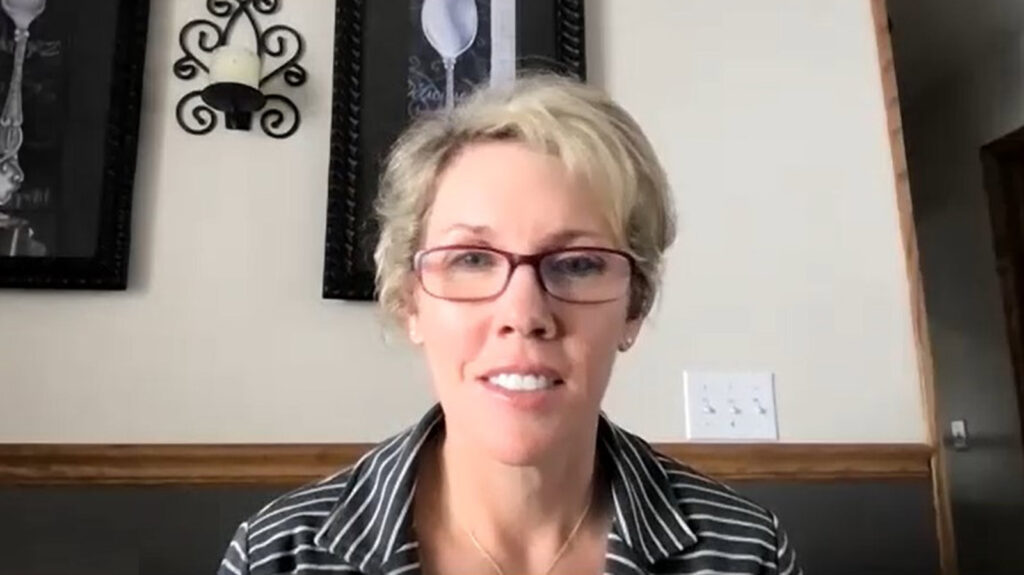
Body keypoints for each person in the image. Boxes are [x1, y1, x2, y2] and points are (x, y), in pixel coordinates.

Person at [217, 74, 802, 575]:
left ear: (635, 306)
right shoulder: (280, 556)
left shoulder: (744, 555)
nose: (524, 315)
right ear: (408, 300)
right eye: (471, 259)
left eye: (577, 264)